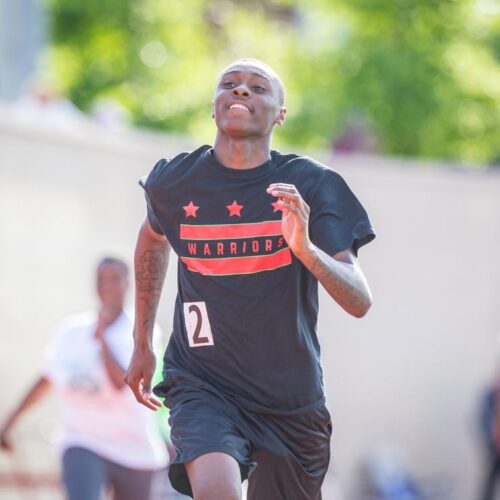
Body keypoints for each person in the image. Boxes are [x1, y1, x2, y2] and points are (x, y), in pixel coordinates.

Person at [125, 58, 376, 500]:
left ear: (281, 113)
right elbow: (152, 238)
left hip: (290, 399)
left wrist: (305, 249)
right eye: (230, 83)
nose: (241, 91)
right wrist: (142, 340)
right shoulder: (174, 182)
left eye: (259, 87)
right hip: (202, 383)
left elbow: (359, 300)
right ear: (214, 104)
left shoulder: (311, 186)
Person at [0, 257, 169, 500]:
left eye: (114, 279)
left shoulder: (142, 331)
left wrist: (102, 338)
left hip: (134, 448)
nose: (107, 286)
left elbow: (122, 383)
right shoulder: (71, 332)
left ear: (127, 284)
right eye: (101, 279)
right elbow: (47, 379)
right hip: (82, 440)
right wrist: (10, 421)